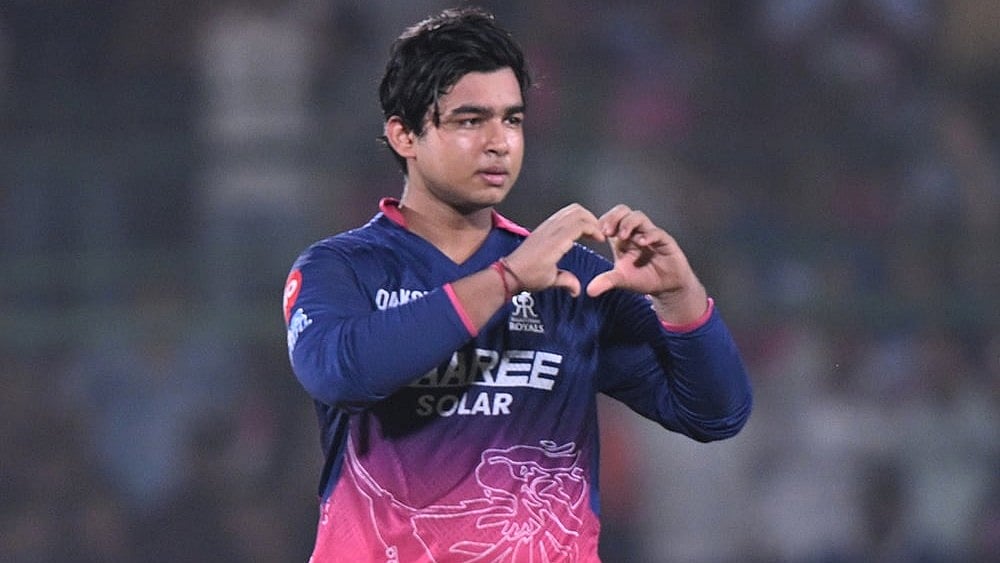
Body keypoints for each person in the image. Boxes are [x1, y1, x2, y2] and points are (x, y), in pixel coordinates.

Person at [282, 7, 752, 561]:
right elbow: (341, 374)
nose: (499, 142)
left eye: (512, 119)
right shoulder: (340, 268)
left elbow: (715, 414)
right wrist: (506, 281)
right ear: (404, 135)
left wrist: (680, 299)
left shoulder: (573, 277)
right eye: (469, 120)